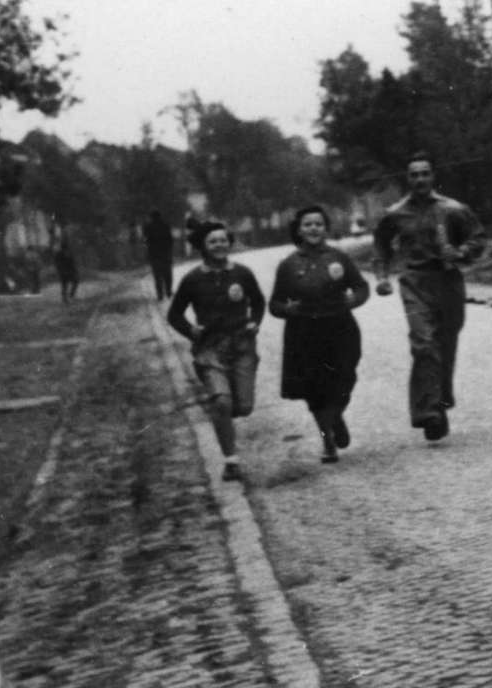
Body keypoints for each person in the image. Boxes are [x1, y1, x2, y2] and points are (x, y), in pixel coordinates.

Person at [372, 152, 487, 442]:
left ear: (433, 176)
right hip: (415, 283)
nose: (420, 179)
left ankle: (439, 404)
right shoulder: (395, 213)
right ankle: (428, 411)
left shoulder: (453, 209)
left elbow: (478, 238)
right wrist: (382, 277)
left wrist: (460, 252)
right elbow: (381, 246)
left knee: (445, 346)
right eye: (414, 174)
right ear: (407, 178)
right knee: (424, 344)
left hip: (448, 282)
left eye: (425, 173)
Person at [269, 206, 370, 464]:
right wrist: (287, 309)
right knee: (314, 390)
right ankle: (328, 441)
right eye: (308, 224)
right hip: (304, 332)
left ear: (325, 229)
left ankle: (335, 417)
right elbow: (275, 304)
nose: (313, 228)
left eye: (318, 224)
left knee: (345, 377)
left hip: (340, 328)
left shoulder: (339, 258)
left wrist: (353, 300)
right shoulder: (288, 264)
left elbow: (361, 287)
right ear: (299, 230)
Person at [166, 220, 266, 482]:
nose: (219, 245)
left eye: (223, 240)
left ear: (229, 243)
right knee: (222, 402)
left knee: (243, 406)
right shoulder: (193, 279)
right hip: (210, 349)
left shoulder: (242, 273)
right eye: (213, 241)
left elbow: (258, 302)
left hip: (242, 346)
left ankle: (223, 414)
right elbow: (174, 315)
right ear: (203, 246)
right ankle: (231, 461)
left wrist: (255, 321)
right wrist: (191, 331)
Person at [143, 210, 175, 300]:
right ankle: (168, 291)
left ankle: (160, 294)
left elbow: (146, 240)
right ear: (160, 216)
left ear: (152, 217)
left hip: (154, 255)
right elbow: (170, 240)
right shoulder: (165, 225)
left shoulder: (148, 227)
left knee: (157, 276)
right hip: (165, 254)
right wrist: (169, 250)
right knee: (167, 275)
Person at [52, 239, 79, 303]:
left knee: (65, 284)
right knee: (72, 282)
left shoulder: (60, 253)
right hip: (67, 271)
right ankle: (69, 296)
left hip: (65, 271)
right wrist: (74, 270)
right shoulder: (67, 253)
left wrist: (59, 270)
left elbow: (57, 263)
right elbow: (72, 262)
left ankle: (66, 297)